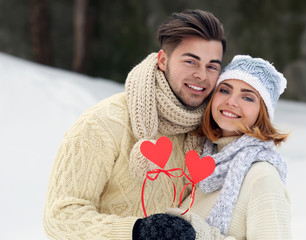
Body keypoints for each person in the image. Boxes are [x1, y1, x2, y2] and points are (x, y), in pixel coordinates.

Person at [43, 9, 227, 240]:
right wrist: (137, 231)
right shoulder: (104, 123)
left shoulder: (209, 132)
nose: (202, 75)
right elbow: (60, 216)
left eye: (212, 66)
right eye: (191, 61)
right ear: (163, 60)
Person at [168, 55, 292, 239]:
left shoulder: (262, 177)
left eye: (248, 97)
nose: (231, 101)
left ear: (263, 112)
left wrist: (200, 235)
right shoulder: (203, 163)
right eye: (225, 90)